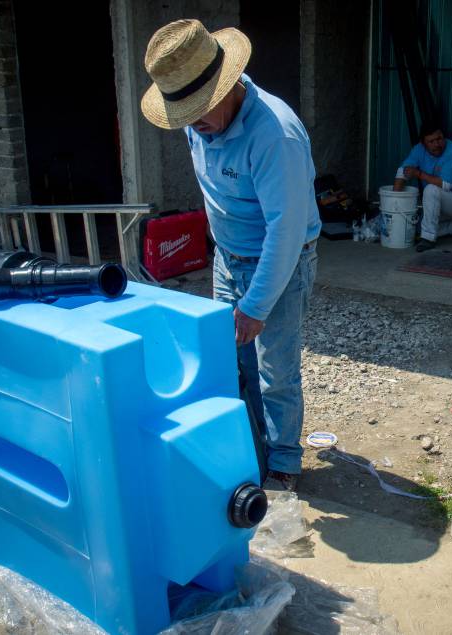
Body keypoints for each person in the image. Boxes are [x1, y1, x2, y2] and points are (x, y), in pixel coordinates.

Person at [141, 20, 321, 492]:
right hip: (228, 257)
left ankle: (284, 465)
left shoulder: (274, 136)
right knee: (232, 360)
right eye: (182, 113)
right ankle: (251, 448)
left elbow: (285, 231)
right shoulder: (198, 121)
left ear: (227, 87)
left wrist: (256, 304)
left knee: (275, 370)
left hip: (278, 261)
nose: (191, 124)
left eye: (198, 110)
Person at [393, 120, 452, 252]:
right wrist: (393, 202)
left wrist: (418, 173)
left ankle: (428, 239)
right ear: (423, 144)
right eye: (431, 141)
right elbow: (402, 172)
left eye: (439, 138)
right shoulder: (419, 150)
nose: (437, 144)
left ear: (443, 136)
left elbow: (445, 185)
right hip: (437, 202)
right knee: (411, 226)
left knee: (431, 189)